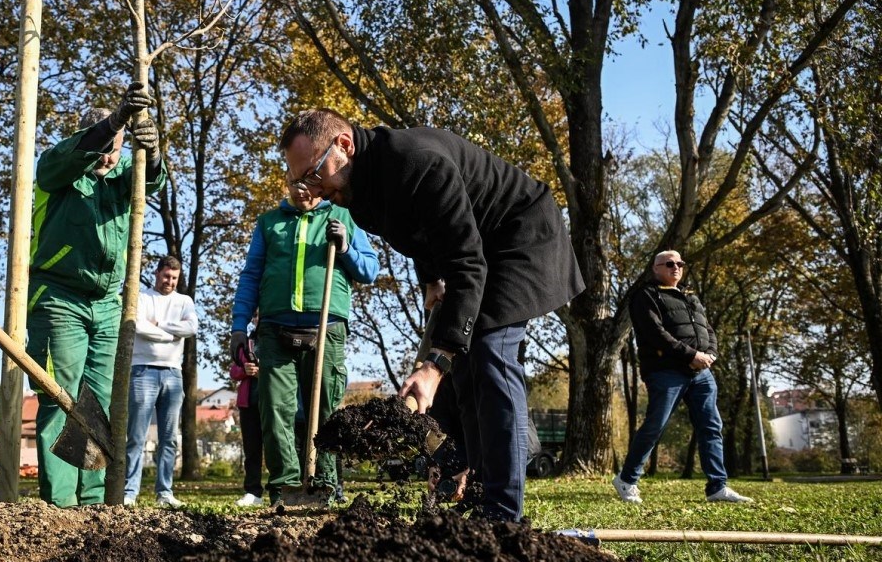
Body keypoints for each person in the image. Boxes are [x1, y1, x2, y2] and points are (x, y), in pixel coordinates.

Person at [277, 109, 583, 522]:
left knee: (491, 353)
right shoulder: (358, 197)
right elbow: (423, 234)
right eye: (300, 181)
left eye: (313, 174)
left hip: (520, 234)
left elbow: (469, 265)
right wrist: (431, 280)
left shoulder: (416, 161)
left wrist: (435, 364)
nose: (311, 188)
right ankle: (477, 493)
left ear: (344, 146)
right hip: (472, 252)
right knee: (469, 368)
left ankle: (504, 515)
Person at [28, 86, 167, 507]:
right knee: (61, 394)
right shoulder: (61, 167)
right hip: (59, 297)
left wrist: (153, 152)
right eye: (103, 143)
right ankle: (61, 504)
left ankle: (91, 502)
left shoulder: (126, 174)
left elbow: (153, 179)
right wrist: (110, 125)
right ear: (88, 134)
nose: (109, 155)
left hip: (108, 304)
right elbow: (61, 163)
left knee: (99, 399)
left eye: (117, 147)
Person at [229, 176, 379, 506]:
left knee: (325, 409)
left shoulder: (343, 216)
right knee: (276, 409)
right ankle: (285, 487)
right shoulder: (269, 223)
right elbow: (251, 274)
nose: (300, 189)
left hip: (327, 325)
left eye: (307, 182)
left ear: (322, 183)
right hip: (274, 326)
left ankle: (324, 485)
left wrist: (345, 247)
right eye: (293, 181)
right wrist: (239, 325)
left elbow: (369, 270)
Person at [613, 251, 754, 504]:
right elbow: (655, 333)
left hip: (701, 372)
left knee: (711, 426)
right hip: (665, 370)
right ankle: (627, 479)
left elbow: (707, 329)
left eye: (679, 263)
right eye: (669, 264)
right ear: (656, 268)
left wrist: (710, 354)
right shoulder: (646, 295)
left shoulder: (691, 296)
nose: (676, 267)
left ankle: (717, 487)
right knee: (656, 425)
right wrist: (690, 354)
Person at [124, 256, 198, 508]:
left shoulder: (184, 301)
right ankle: (129, 492)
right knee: (136, 435)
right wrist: (170, 336)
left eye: (174, 278)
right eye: (166, 276)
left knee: (169, 437)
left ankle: (164, 492)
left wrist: (162, 325)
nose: (170, 281)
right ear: (157, 273)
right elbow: (138, 326)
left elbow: (191, 328)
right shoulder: (142, 298)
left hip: (173, 374)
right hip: (142, 371)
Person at [229, 320, 264, 506]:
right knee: (252, 450)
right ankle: (253, 492)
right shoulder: (246, 342)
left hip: (273, 402)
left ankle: (280, 489)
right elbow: (233, 371)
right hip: (248, 403)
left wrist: (263, 372)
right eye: (257, 314)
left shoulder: (278, 338)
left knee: (279, 447)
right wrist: (244, 370)